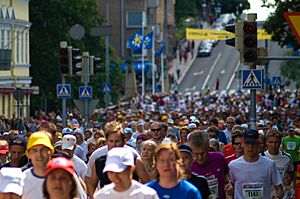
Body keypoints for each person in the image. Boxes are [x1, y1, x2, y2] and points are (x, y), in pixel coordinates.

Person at [229, 129, 284, 199]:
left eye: (253, 143)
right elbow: (229, 188)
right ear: (242, 143)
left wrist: (278, 197)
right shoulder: (233, 165)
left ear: (258, 143)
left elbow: (279, 189)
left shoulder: (269, 164)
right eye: (247, 143)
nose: (250, 146)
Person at [93, 147, 159, 199]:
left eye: (120, 172)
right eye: (111, 172)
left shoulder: (147, 195)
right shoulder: (101, 196)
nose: (115, 176)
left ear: (131, 169)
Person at [188, 130, 233, 199]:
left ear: (208, 147)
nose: (200, 157)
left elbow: (226, 174)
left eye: (203, 153)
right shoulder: (187, 165)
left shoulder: (219, 158)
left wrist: (228, 183)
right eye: (196, 154)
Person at [262, 128, 294, 197]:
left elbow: (291, 172)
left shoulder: (287, 157)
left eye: (276, 142)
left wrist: (289, 179)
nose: (274, 145)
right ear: (266, 142)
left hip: (283, 195)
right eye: (271, 142)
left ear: (280, 143)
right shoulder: (260, 157)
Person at [22, 131, 54, 199]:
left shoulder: (65, 177)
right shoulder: (21, 180)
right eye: (34, 150)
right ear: (29, 154)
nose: (39, 155)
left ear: (50, 152)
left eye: (43, 150)